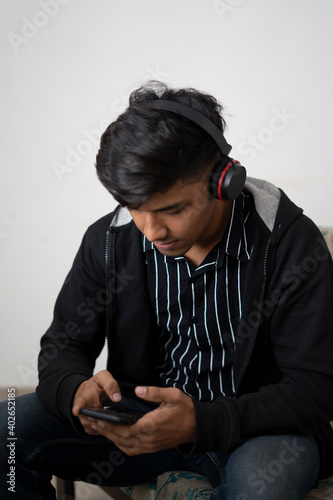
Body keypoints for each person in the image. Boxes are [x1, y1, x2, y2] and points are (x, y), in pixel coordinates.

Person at [1, 81, 333, 500]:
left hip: (256, 430)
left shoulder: (290, 244)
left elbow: (316, 387)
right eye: (135, 207)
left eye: (172, 209)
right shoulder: (109, 239)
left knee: (261, 489)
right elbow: (61, 348)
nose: (152, 230)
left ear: (223, 181)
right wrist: (73, 388)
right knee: (6, 429)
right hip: (140, 424)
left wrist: (201, 422)